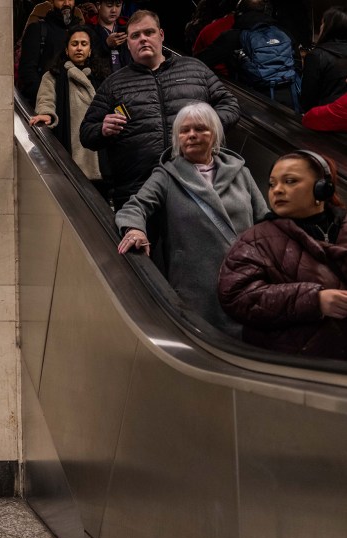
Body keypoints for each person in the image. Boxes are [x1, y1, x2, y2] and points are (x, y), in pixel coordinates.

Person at [115, 102, 268, 337]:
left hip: (245, 280)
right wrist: (135, 229)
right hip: (194, 286)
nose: (192, 135)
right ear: (177, 138)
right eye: (184, 131)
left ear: (215, 134)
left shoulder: (241, 173)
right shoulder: (166, 176)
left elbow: (264, 221)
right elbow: (136, 206)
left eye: (200, 129)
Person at [80, 10, 240, 209]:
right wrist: (101, 129)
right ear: (128, 43)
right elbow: (86, 132)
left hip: (195, 184)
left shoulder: (194, 69)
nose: (143, 39)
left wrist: (207, 125)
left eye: (149, 32)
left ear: (161, 35)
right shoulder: (113, 84)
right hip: (137, 194)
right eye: (135, 36)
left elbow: (230, 104)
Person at [218, 151, 347, 359]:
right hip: (290, 369)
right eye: (272, 184)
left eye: (290, 181)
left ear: (322, 188)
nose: (277, 190)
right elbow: (237, 296)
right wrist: (314, 300)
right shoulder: (256, 240)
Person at [30, 25, 108, 182]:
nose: (79, 48)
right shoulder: (53, 76)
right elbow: (46, 99)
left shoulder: (101, 78)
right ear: (66, 50)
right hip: (70, 147)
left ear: (90, 50)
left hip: (98, 151)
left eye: (84, 44)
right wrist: (46, 114)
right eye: (74, 44)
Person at [195, 0, 300, 111]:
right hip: (289, 96)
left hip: (252, 99)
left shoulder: (233, 36)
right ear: (267, 12)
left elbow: (201, 61)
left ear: (239, 13)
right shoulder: (284, 33)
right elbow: (297, 64)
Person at [18, 0, 85, 101]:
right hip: (45, 103)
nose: (67, 3)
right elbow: (28, 72)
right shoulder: (38, 29)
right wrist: (46, 100)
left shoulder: (83, 32)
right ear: (52, 1)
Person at [300, 6, 347, 132]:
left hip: (324, 124)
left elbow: (307, 100)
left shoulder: (317, 56)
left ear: (329, 27)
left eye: (322, 23)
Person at [88, 0, 131, 73]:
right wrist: (106, 45)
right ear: (98, 5)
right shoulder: (88, 30)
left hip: (126, 78)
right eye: (109, 5)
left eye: (118, 5)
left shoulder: (128, 28)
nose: (114, 10)